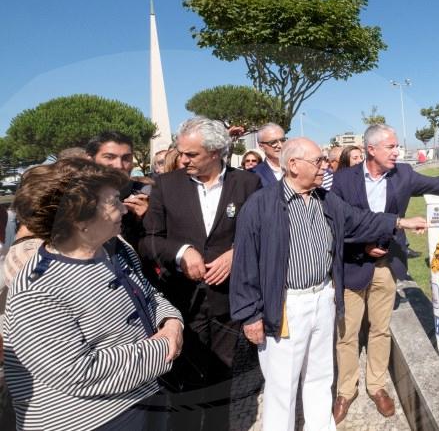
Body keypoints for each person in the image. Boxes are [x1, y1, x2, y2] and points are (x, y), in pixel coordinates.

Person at [230, 138, 427, 431]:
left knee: (320, 376)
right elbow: (245, 263)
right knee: (282, 385)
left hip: (323, 298)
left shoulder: (325, 199)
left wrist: (400, 223)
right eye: (318, 161)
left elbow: (360, 220)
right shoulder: (260, 205)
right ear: (294, 165)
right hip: (285, 305)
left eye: (324, 160)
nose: (324, 166)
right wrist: (250, 315)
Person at [331, 124, 439, 423]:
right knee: (346, 335)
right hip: (352, 264)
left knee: (380, 329)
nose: (397, 152)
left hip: (385, 265)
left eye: (397, 146)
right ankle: (345, 391)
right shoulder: (344, 179)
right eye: (391, 147)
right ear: (371, 149)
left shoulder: (403, 175)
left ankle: (376, 386)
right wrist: (367, 241)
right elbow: (341, 222)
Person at [2, 158, 183, 430]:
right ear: (80, 218)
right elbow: (77, 372)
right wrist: (165, 346)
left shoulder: (113, 251)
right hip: (92, 420)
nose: (124, 208)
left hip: (144, 398)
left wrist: (171, 322)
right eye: (113, 201)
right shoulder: (38, 289)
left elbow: (148, 295)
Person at [141, 117, 261, 430]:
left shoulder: (247, 183)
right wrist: (181, 253)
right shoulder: (167, 186)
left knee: (222, 378)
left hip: (228, 304)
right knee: (187, 383)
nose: (183, 160)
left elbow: (263, 233)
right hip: (184, 303)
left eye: (191, 154)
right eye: (181, 153)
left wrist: (238, 254)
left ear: (216, 151)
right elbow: (149, 240)